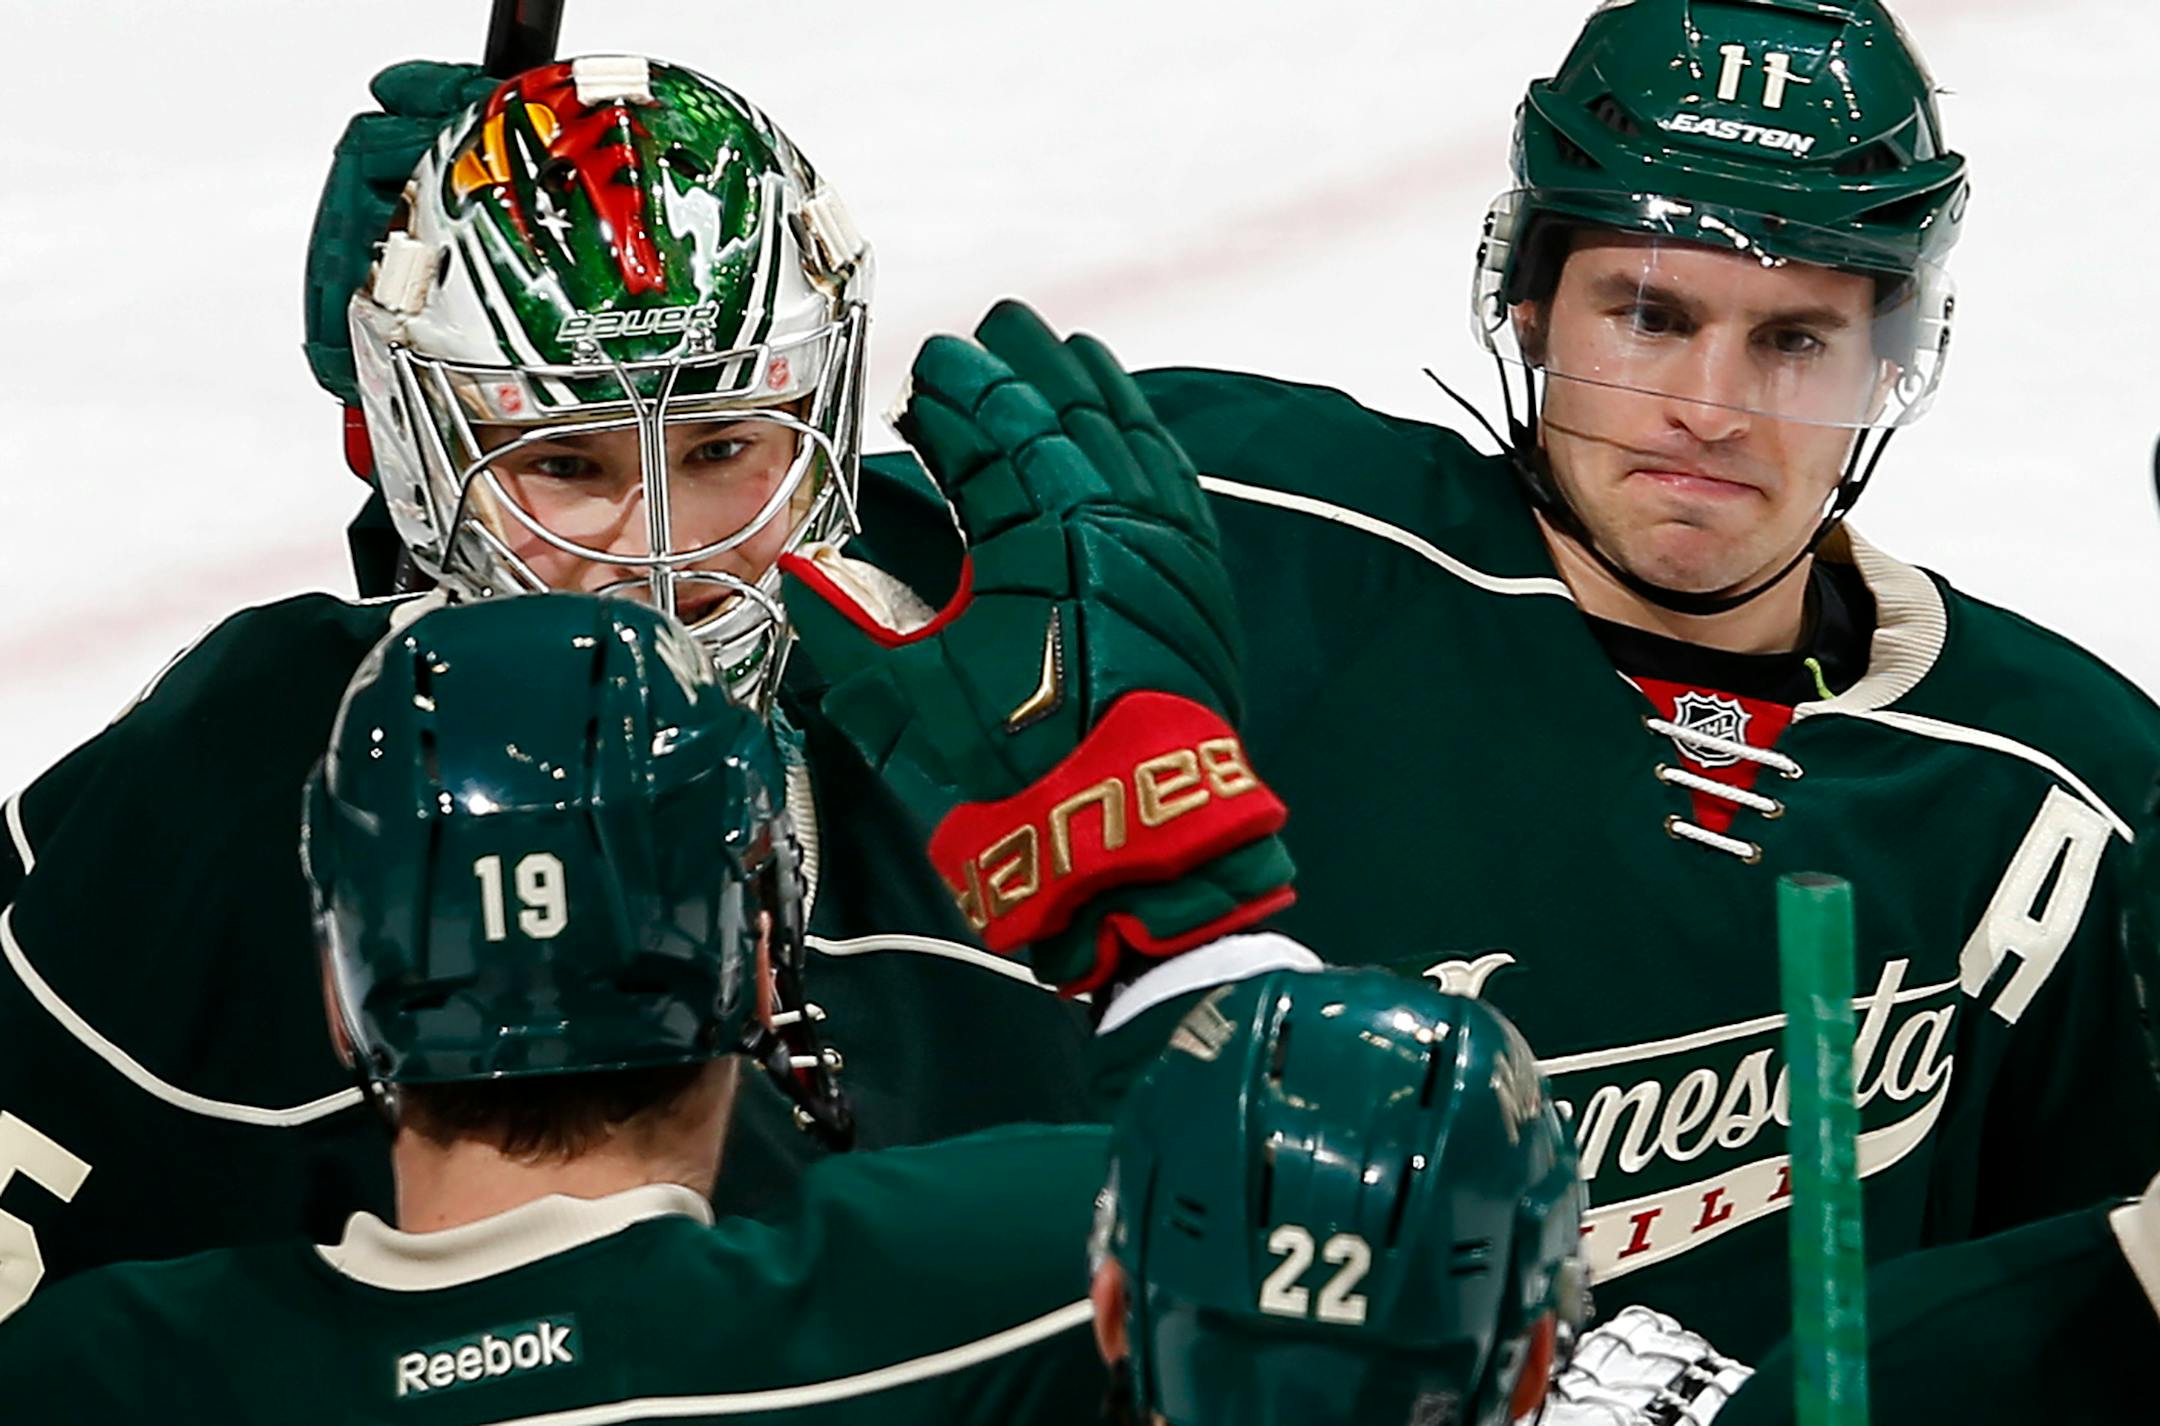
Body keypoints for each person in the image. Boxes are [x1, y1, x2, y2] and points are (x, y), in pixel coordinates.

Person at [800, 0, 2160, 1363]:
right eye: (1648, 313)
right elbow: (708, 571)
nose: (1713, 404)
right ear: (1528, 301)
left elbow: (2088, 1311)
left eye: (1792, 340)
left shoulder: (2055, 795)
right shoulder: (1227, 538)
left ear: (1888, 355)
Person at [0, 55, 1098, 1317]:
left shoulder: (1007, 718)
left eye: (725, 444)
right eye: (566, 456)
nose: (660, 544)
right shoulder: (228, 787)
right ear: (418, 453)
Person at [0, 593, 1108, 1423]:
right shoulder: (1012, 1273)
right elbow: (1245, 1158)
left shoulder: (89, 1377)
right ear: (764, 966)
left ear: (341, 1001)